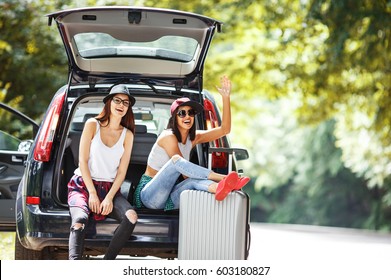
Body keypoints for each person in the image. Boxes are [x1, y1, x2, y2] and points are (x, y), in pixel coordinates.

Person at [134, 75, 249, 211]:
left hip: (168, 198)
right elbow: (184, 173)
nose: (187, 116)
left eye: (191, 113)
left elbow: (225, 129)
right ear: (174, 118)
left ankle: (221, 188)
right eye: (182, 113)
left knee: (193, 181)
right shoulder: (168, 136)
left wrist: (226, 98)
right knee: (177, 161)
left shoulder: (193, 138)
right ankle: (223, 179)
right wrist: (219, 177)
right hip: (149, 197)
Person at [67, 84, 138, 260]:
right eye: (117, 100)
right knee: (79, 221)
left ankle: (107, 264)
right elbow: (82, 161)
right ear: (108, 102)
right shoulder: (92, 124)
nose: (121, 105)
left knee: (131, 216)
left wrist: (108, 198)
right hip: (83, 185)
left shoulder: (128, 135)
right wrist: (92, 193)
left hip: (109, 189)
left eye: (126, 102)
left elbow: (122, 172)